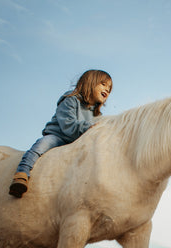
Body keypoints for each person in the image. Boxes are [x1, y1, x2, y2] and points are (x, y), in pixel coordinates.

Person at [9, 69, 113, 197]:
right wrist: (91, 126)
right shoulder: (71, 99)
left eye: (109, 88)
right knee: (41, 145)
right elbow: (68, 125)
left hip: (77, 142)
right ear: (90, 83)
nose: (107, 90)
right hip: (59, 136)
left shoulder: (96, 115)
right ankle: (22, 173)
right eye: (103, 84)